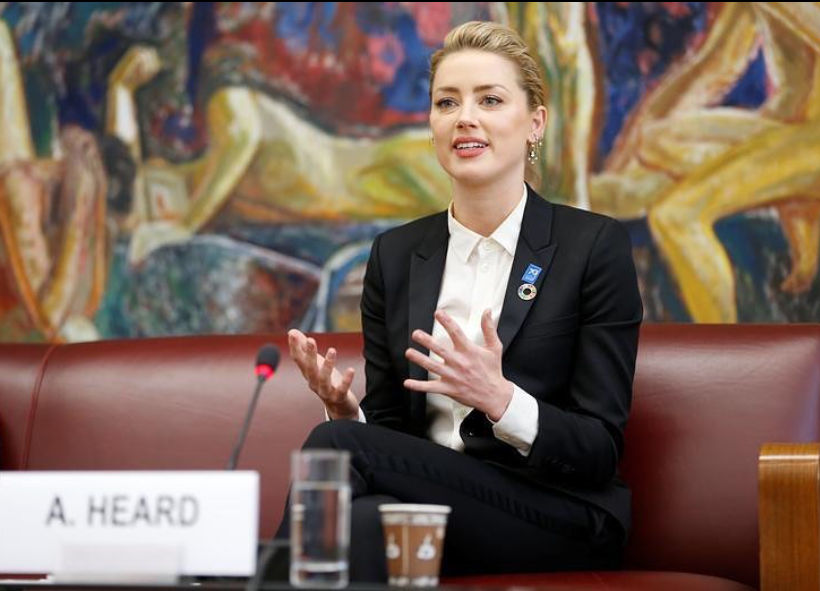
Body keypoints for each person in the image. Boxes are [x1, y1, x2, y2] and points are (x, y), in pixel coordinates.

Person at [284, 20, 642, 581]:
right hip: (439, 503)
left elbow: (598, 449)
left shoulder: (593, 246)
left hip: (557, 512)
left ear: (535, 123)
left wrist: (501, 399)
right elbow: (391, 433)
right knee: (365, 522)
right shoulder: (396, 255)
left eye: (490, 100)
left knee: (336, 448)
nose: (464, 118)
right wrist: (348, 413)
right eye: (446, 102)